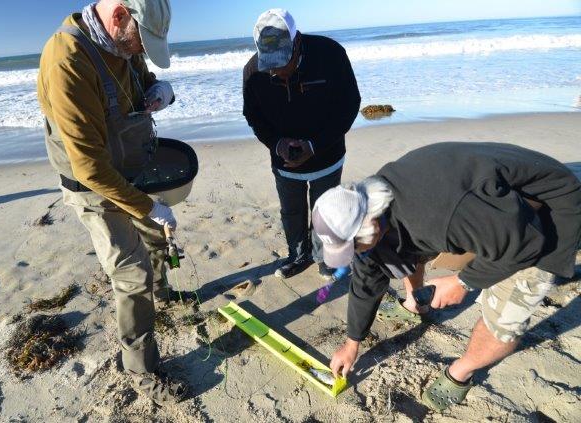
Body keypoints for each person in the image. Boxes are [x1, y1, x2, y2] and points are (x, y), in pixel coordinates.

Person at [312, 142, 581, 411]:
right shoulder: (375, 200)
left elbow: (525, 246)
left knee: (505, 317)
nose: (354, 254)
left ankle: (461, 372)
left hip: (548, 216)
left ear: (369, 224)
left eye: (353, 246)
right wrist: (352, 342)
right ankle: (416, 303)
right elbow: (367, 276)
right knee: (400, 248)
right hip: (492, 210)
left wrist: (464, 282)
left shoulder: (439, 216)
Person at [37, 0, 190, 404]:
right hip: (94, 188)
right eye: (141, 41)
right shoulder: (67, 59)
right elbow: (89, 167)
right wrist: (149, 206)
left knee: (157, 242)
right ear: (120, 15)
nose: (140, 51)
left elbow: (138, 77)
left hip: (132, 171)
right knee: (131, 273)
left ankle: (165, 295)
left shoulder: (121, 44)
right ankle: (141, 369)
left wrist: (159, 90)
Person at [243, 9, 361, 280]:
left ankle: (324, 258)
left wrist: (314, 145)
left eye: (282, 61)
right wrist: (276, 143)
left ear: (297, 43)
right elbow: (253, 115)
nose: (276, 71)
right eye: (270, 64)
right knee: (291, 211)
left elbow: (349, 104)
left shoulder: (331, 54)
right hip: (283, 163)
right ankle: (298, 256)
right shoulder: (252, 71)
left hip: (327, 156)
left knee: (325, 210)